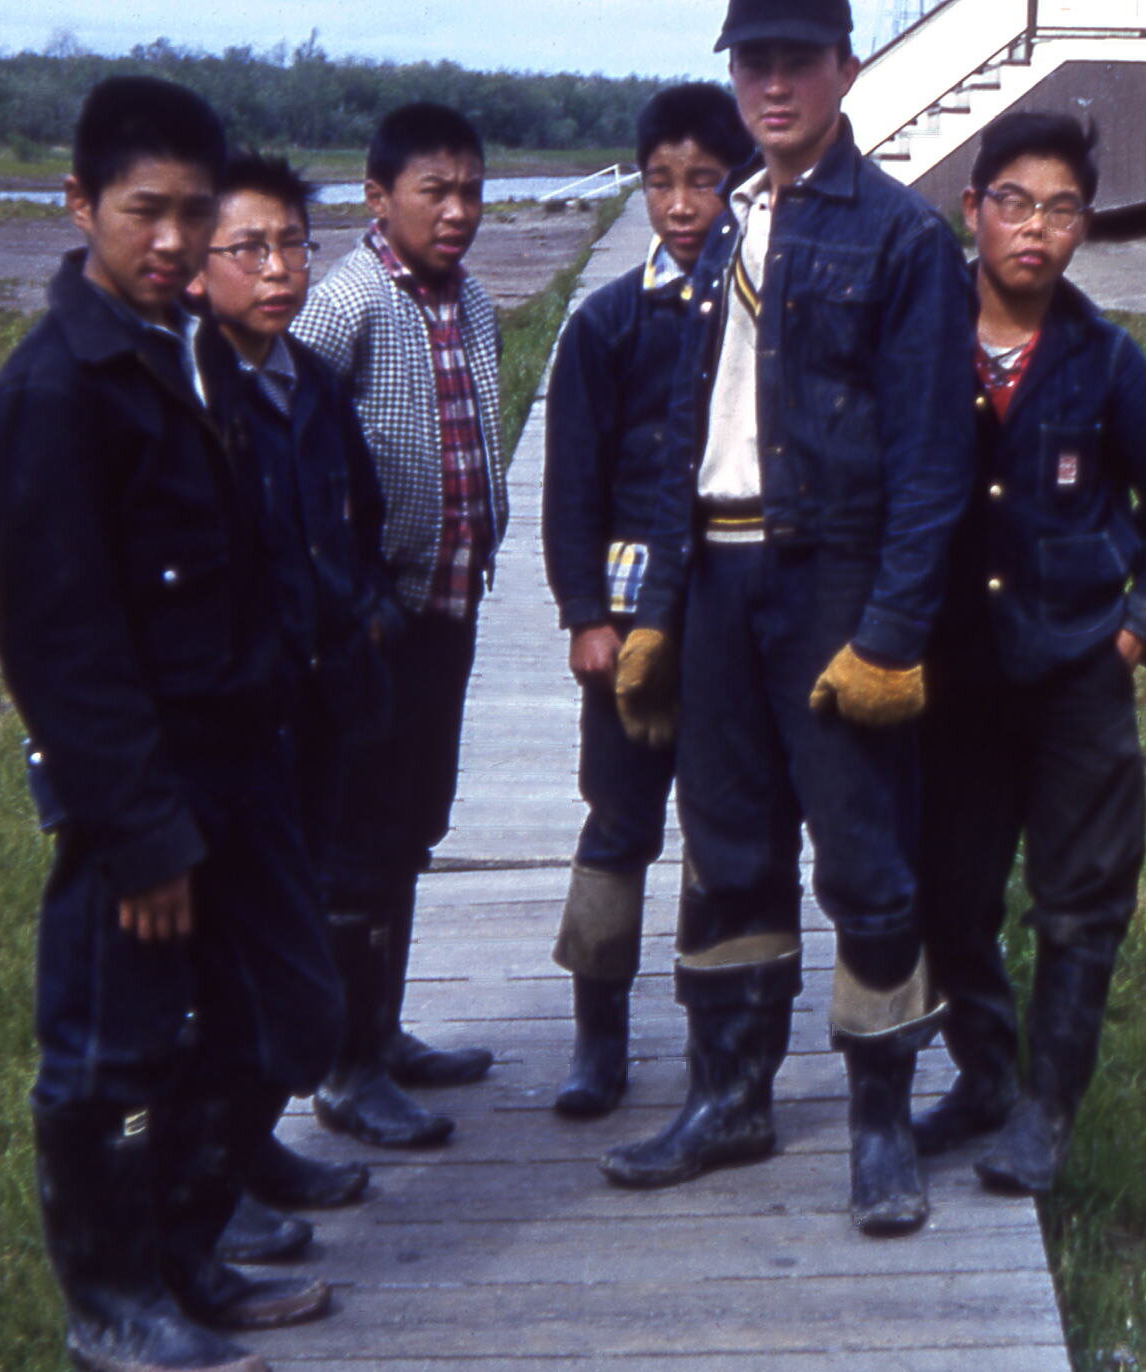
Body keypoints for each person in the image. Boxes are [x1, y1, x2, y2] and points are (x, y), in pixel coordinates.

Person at [0, 77, 341, 1372]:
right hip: (141, 789)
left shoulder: (192, 352)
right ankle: (116, 1304)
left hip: (244, 762)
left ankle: (189, 1252)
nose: (175, 240)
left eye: (195, 212)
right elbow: (60, 649)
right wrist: (135, 835)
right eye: (145, 212)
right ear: (79, 208)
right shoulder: (59, 392)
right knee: (115, 1053)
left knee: (286, 1012)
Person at [604, 0, 975, 1235]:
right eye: (751, 63)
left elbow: (932, 465)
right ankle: (731, 1097)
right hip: (715, 577)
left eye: (795, 62)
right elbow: (674, 451)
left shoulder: (906, 240)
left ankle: (880, 1125)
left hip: (830, 580)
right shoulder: (721, 233)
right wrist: (657, 606)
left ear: (844, 69)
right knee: (726, 850)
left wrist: (892, 635)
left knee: (866, 857)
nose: (771, 85)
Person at [912, 113, 1146, 1195]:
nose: (1035, 229)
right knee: (948, 890)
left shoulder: (1105, 362)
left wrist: (1141, 623)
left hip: (1077, 673)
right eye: (1014, 203)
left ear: (1086, 225)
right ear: (973, 209)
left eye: (1062, 208)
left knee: (1081, 898)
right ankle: (985, 1071)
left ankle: (1048, 1110)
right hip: (951, 677)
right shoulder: (922, 336)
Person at [187, 150, 399, 1262]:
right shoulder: (190, 396)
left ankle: (256, 1147)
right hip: (235, 722)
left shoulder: (306, 381)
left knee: (304, 919)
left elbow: (353, 515)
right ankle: (205, 1189)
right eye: (249, 249)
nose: (277, 270)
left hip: (318, 703)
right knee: (229, 960)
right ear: (194, 263)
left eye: (291, 247)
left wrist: (361, 612)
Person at [292, 103, 508, 1146]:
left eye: (473, 189)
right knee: (359, 840)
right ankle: (341, 1063)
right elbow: (290, 453)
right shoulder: (343, 306)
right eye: (437, 190)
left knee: (416, 823)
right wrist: (343, 589)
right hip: (372, 624)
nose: (459, 210)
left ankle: (385, 1027)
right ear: (379, 197)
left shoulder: (474, 305)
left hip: (448, 611)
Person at [542, 84, 753, 1118]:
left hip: (730, 613)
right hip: (628, 620)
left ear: (738, 186)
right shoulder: (606, 324)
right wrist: (586, 611)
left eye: (704, 181)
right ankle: (598, 1037)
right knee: (619, 819)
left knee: (724, 827)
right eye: (662, 181)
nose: (681, 204)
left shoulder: (766, 315)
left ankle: (721, 1040)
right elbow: (571, 482)